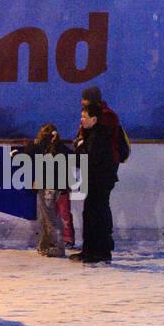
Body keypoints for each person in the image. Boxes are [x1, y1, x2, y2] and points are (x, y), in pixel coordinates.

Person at [71, 101, 118, 264]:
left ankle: (101, 251)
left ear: (94, 119)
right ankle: (89, 250)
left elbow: (91, 159)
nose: (82, 120)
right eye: (81, 117)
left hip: (100, 180)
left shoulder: (99, 135)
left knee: (97, 215)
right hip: (94, 179)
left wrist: (80, 147)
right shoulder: (90, 134)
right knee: (90, 214)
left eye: (85, 117)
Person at [16, 124, 71, 258]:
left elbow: (25, 156)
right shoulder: (60, 146)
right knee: (47, 216)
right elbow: (72, 157)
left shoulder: (40, 144)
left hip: (46, 184)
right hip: (57, 185)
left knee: (48, 217)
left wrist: (16, 153)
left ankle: (57, 246)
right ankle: (46, 245)